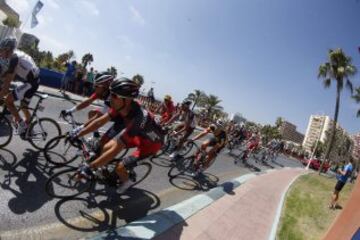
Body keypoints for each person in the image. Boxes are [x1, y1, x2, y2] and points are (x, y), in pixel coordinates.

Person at [69, 78, 165, 193]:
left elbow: (116, 149)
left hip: (151, 145)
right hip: (137, 136)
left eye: (114, 96)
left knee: (120, 167)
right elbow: (99, 122)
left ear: (127, 100)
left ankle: (127, 182)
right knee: (104, 147)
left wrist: (90, 167)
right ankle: (105, 168)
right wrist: (78, 134)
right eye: (110, 94)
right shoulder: (120, 106)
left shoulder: (139, 118)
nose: (110, 98)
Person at [0, 38, 40, 136]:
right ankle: (29, 129)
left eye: (1, 50)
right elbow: (10, 75)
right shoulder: (16, 55)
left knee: (8, 100)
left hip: (31, 82)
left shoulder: (14, 58)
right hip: (34, 80)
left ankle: (22, 125)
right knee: (23, 106)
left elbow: (6, 85)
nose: (0, 53)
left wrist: (1, 95)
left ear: (8, 49)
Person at [61, 72, 114, 141]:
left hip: (121, 118)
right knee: (91, 113)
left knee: (102, 144)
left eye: (97, 86)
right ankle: (96, 136)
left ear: (105, 86)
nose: (95, 88)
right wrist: (70, 110)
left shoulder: (112, 97)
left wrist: (79, 129)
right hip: (111, 113)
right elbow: (88, 101)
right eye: (95, 85)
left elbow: (98, 117)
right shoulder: (101, 91)